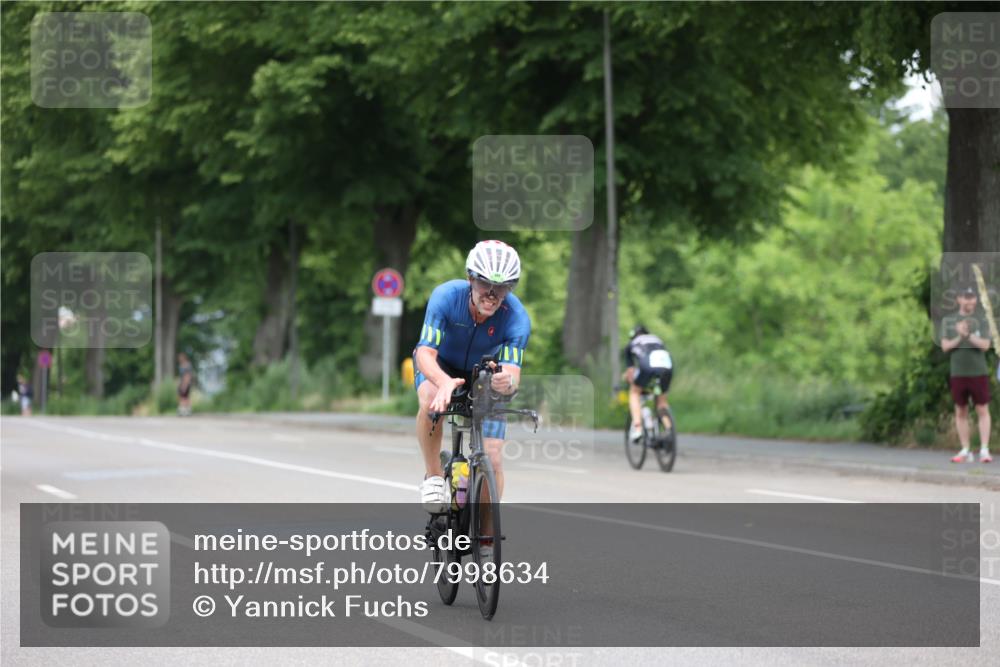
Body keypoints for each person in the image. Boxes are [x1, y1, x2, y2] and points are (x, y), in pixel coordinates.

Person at [414, 240, 531, 517]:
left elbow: (513, 373)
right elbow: (425, 353)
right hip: (440, 365)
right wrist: (443, 381)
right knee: (431, 400)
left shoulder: (516, 317)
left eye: (501, 288)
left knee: (493, 457)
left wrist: (506, 382)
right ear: (470, 279)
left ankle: (487, 542)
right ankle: (432, 477)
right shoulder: (446, 297)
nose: (492, 295)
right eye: (485, 285)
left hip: (483, 374)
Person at [941, 285, 992, 463]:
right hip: (958, 372)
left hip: (978, 372)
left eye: (972, 297)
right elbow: (945, 346)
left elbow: (985, 345)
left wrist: (967, 335)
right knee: (960, 410)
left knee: (982, 409)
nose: (970, 300)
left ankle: (984, 449)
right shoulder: (949, 320)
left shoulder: (982, 320)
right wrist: (959, 337)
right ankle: (965, 449)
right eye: (966, 297)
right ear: (959, 299)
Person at [622, 325, 673, 443]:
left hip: (648, 366)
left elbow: (631, 372)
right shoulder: (657, 339)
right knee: (662, 401)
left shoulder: (632, 344)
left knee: (634, 393)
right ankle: (669, 429)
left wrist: (629, 380)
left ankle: (638, 428)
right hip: (667, 366)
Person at [177, 352, 194, 417]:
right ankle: (184, 410)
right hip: (182, 383)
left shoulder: (187, 365)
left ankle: (186, 411)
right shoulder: (181, 365)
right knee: (182, 397)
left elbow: (187, 375)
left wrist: (185, 385)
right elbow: (181, 376)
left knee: (185, 397)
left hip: (186, 383)